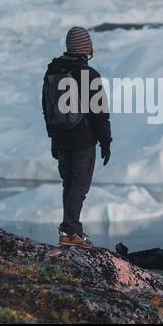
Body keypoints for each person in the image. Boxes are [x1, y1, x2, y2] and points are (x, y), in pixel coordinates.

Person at [42, 26, 112, 249]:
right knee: (80, 186)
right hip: (83, 140)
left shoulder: (53, 72)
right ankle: (71, 231)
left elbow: (46, 108)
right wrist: (106, 141)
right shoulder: (89, 75)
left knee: (69, 185)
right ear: (86, 47)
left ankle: (71, 230)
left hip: (61, 138)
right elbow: (100, 112)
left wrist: (53, 138)